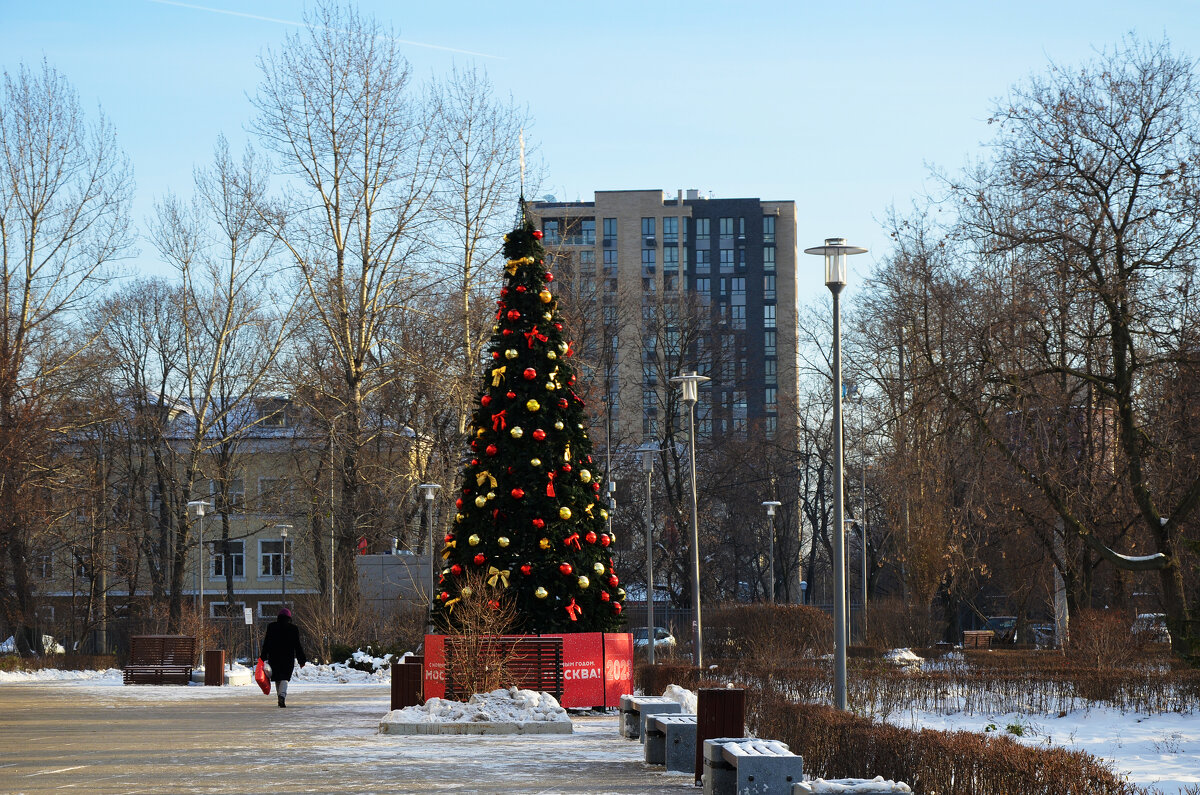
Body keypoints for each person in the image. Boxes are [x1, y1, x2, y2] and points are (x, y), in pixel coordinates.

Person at [259, 608, 307, 707]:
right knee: (285, 678)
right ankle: (282, 696)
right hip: (287, 658)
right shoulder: (293, 628)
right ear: (289, 618)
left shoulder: (271, 627)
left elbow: (267, 643)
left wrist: (263, 656)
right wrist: (301, 660)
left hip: (274, 657)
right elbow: (297, 645)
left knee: (277, 678)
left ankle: (280, 697)